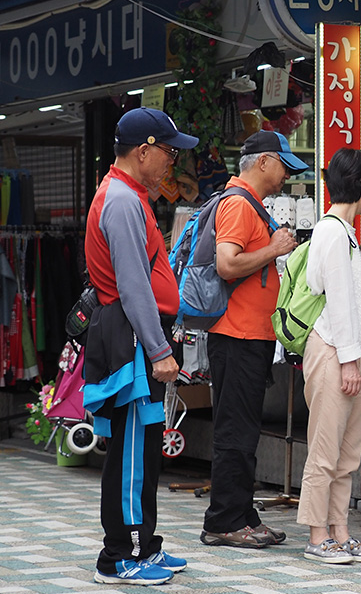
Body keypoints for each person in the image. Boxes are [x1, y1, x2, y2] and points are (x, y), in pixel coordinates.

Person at [83, 107, 198, 585]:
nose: (172, 161)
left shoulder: (127, 195)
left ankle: (144, 546)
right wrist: (158, 350)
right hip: (132, 342)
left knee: (142, 448)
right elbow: (133, 287)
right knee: (132, 450)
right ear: (143, 150)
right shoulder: (123, 201)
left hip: (133, 338)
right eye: (169, 151)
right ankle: (119, 556)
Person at [200, 130, 306, 548]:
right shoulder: (240, 205)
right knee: (235, 431)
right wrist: (275, 248)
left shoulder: (248, 203)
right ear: (263, 162)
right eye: (283, 167)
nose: (285, 177)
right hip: (237, 336)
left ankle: (242, 514)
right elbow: (228, 265)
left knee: (242, 430)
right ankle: (224, 521)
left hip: (247, 336)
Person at [298, 149, 361, 564]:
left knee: (347, 451)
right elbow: (336, 301)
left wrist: (358, 356)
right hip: (336, 351)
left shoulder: (342, 231)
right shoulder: (333, 232)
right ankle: (318, 536)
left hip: (350, 350)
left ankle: (340, 530)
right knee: (326, 446)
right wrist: (350, 361)